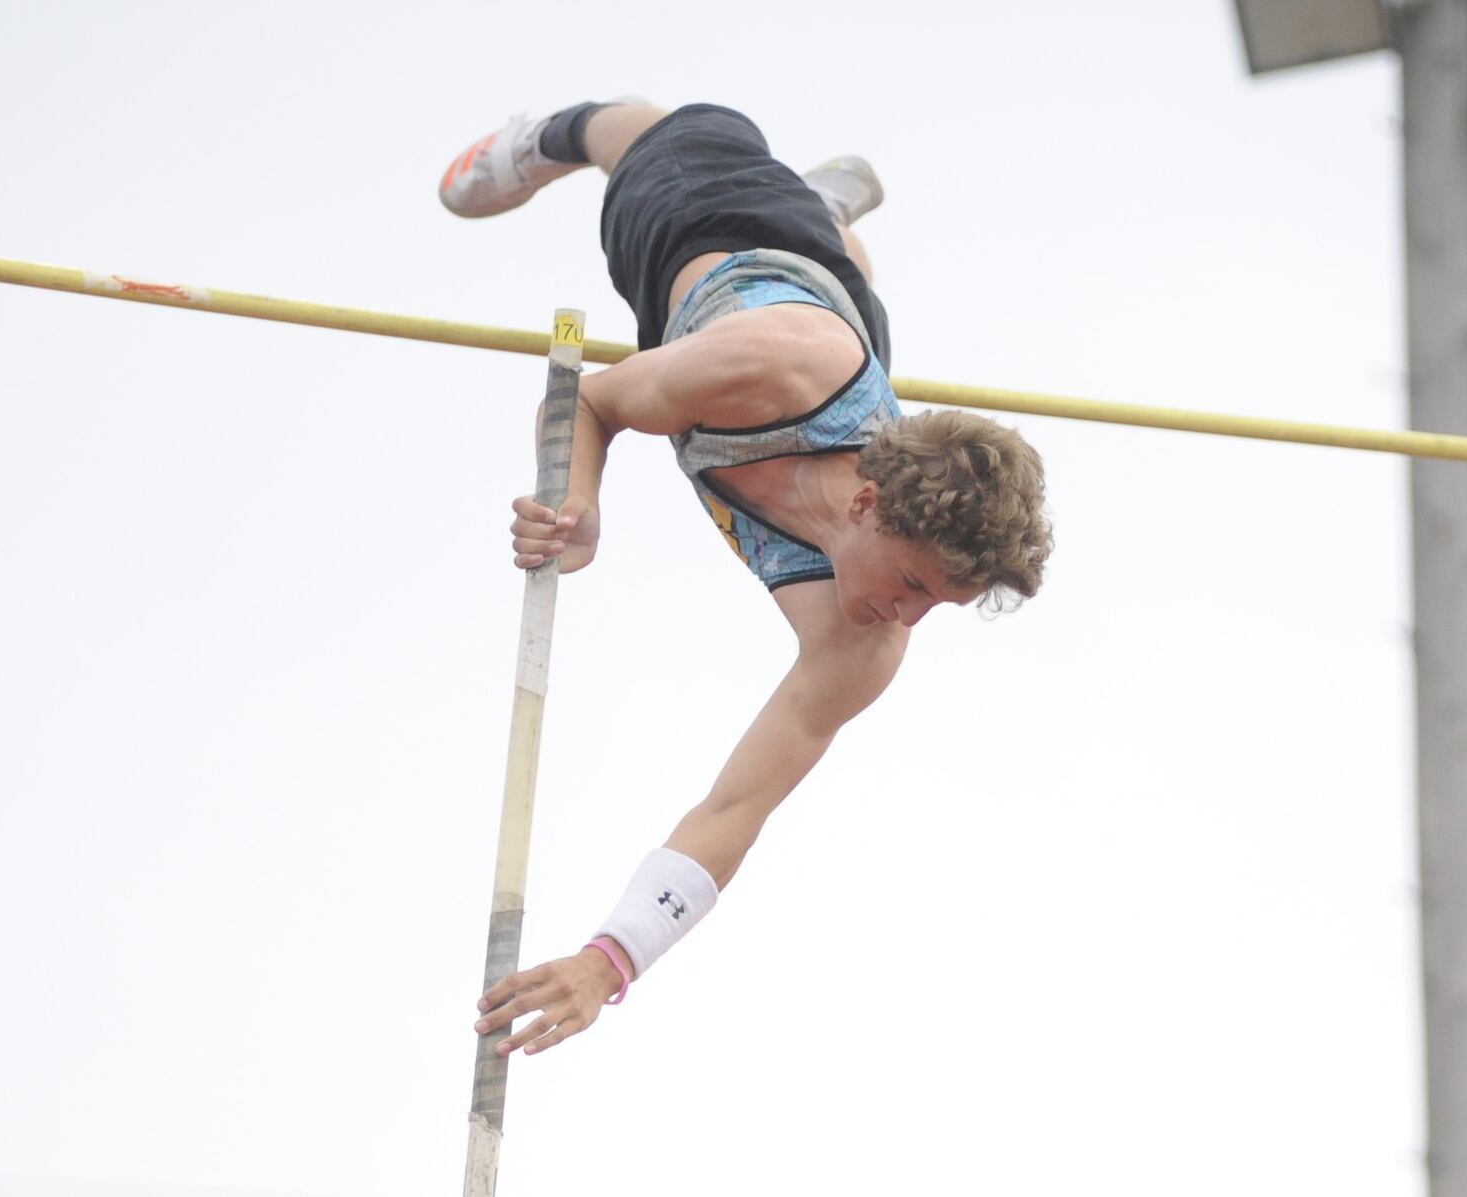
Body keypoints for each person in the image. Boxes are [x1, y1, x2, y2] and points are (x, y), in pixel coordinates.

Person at [439, 100, 1053, 1056]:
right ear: (867, 508)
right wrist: (582, 500)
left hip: (836, 305)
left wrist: (610, 962)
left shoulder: (864, 643)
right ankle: (555, 130)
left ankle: (830, 217)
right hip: (712, 226)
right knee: (634, 141)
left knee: (847, 286)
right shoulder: (770, 370)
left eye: (938, 604)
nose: (909, 618)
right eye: (916, 586)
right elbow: (595, 398)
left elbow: (738, 807)